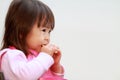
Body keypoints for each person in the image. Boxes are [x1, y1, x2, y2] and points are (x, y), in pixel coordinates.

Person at [0, 0, 66, 80]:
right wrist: (45, 57)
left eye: (49, 32)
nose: (47, 38)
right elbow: (24, 76)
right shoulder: (10, 56)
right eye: (44, 30)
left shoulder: (38, 58)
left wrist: (55, 67)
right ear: (22, 32)